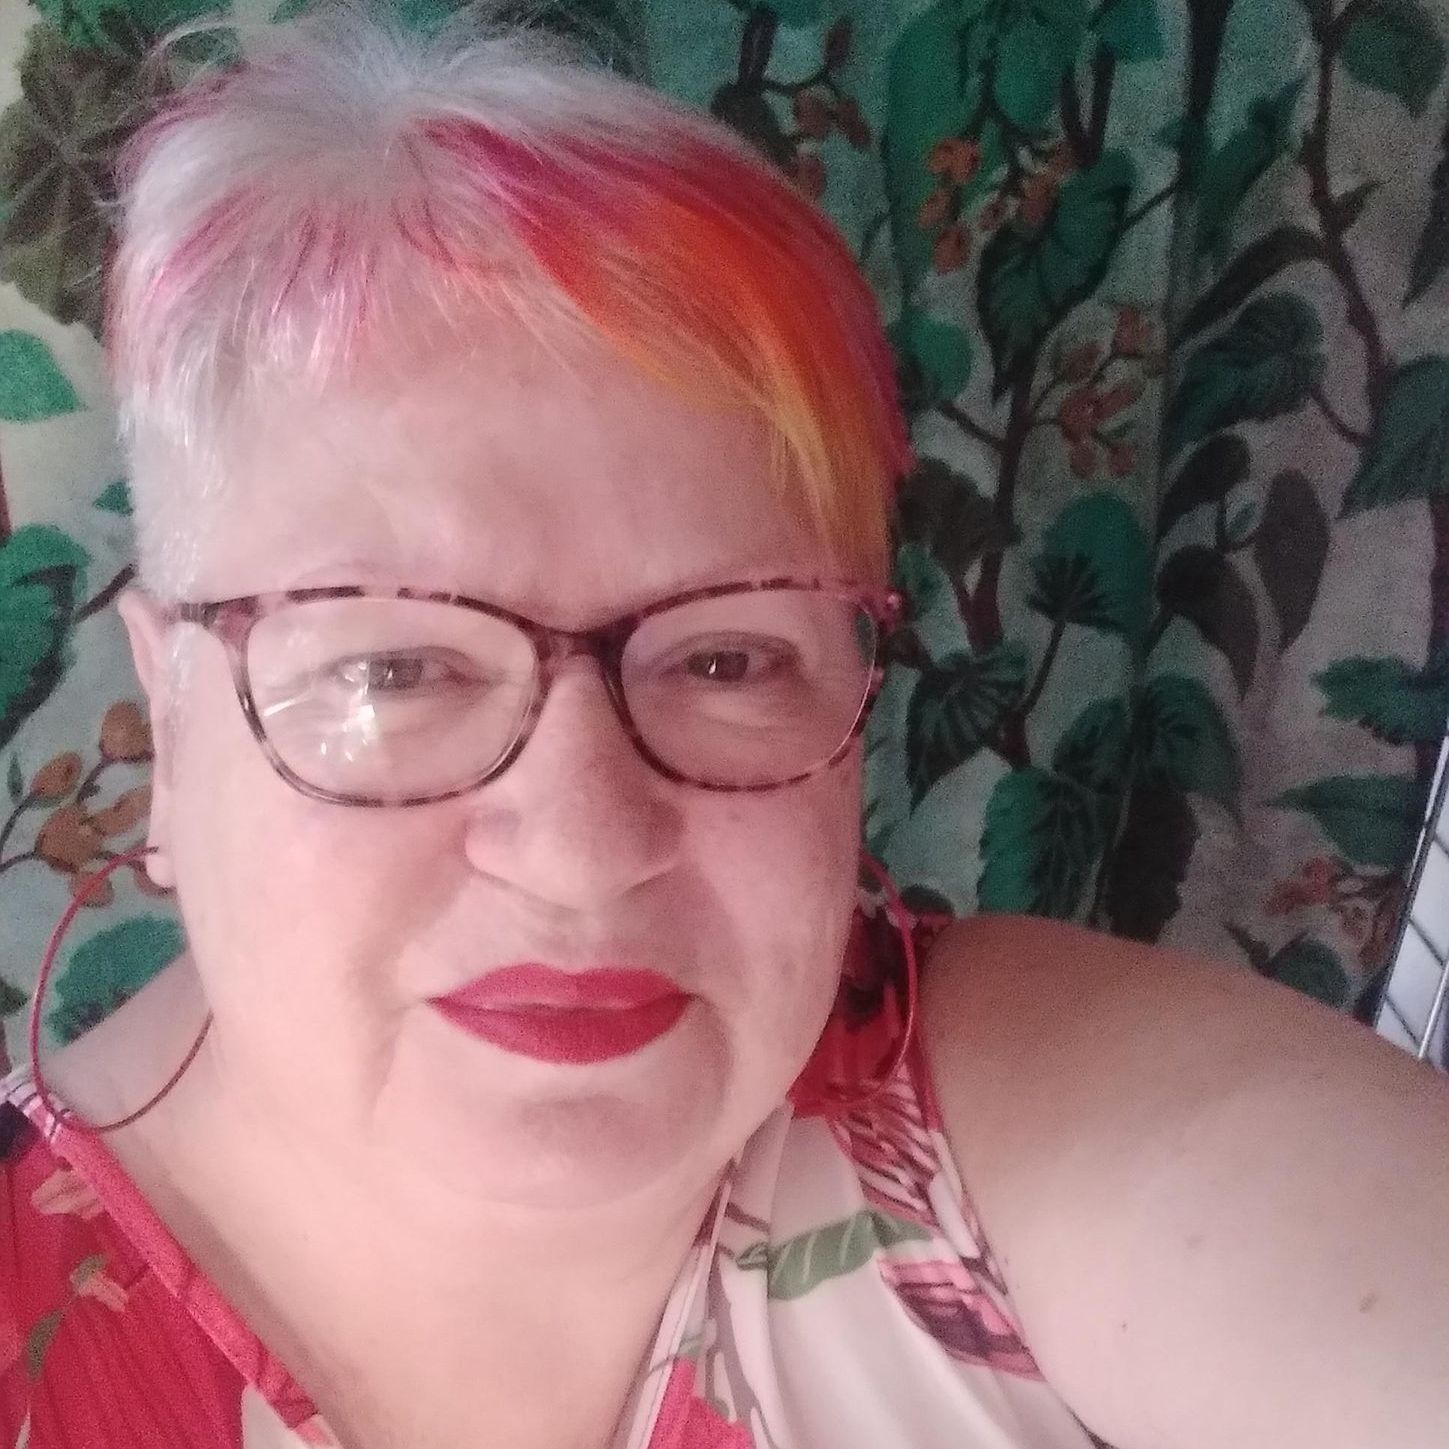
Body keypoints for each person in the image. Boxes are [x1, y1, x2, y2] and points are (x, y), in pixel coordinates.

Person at [3, 8, 1448, 1448]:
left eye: (726, 657)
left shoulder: (995, 1119)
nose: (583, 851)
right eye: (398, 670)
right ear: (170, 724)